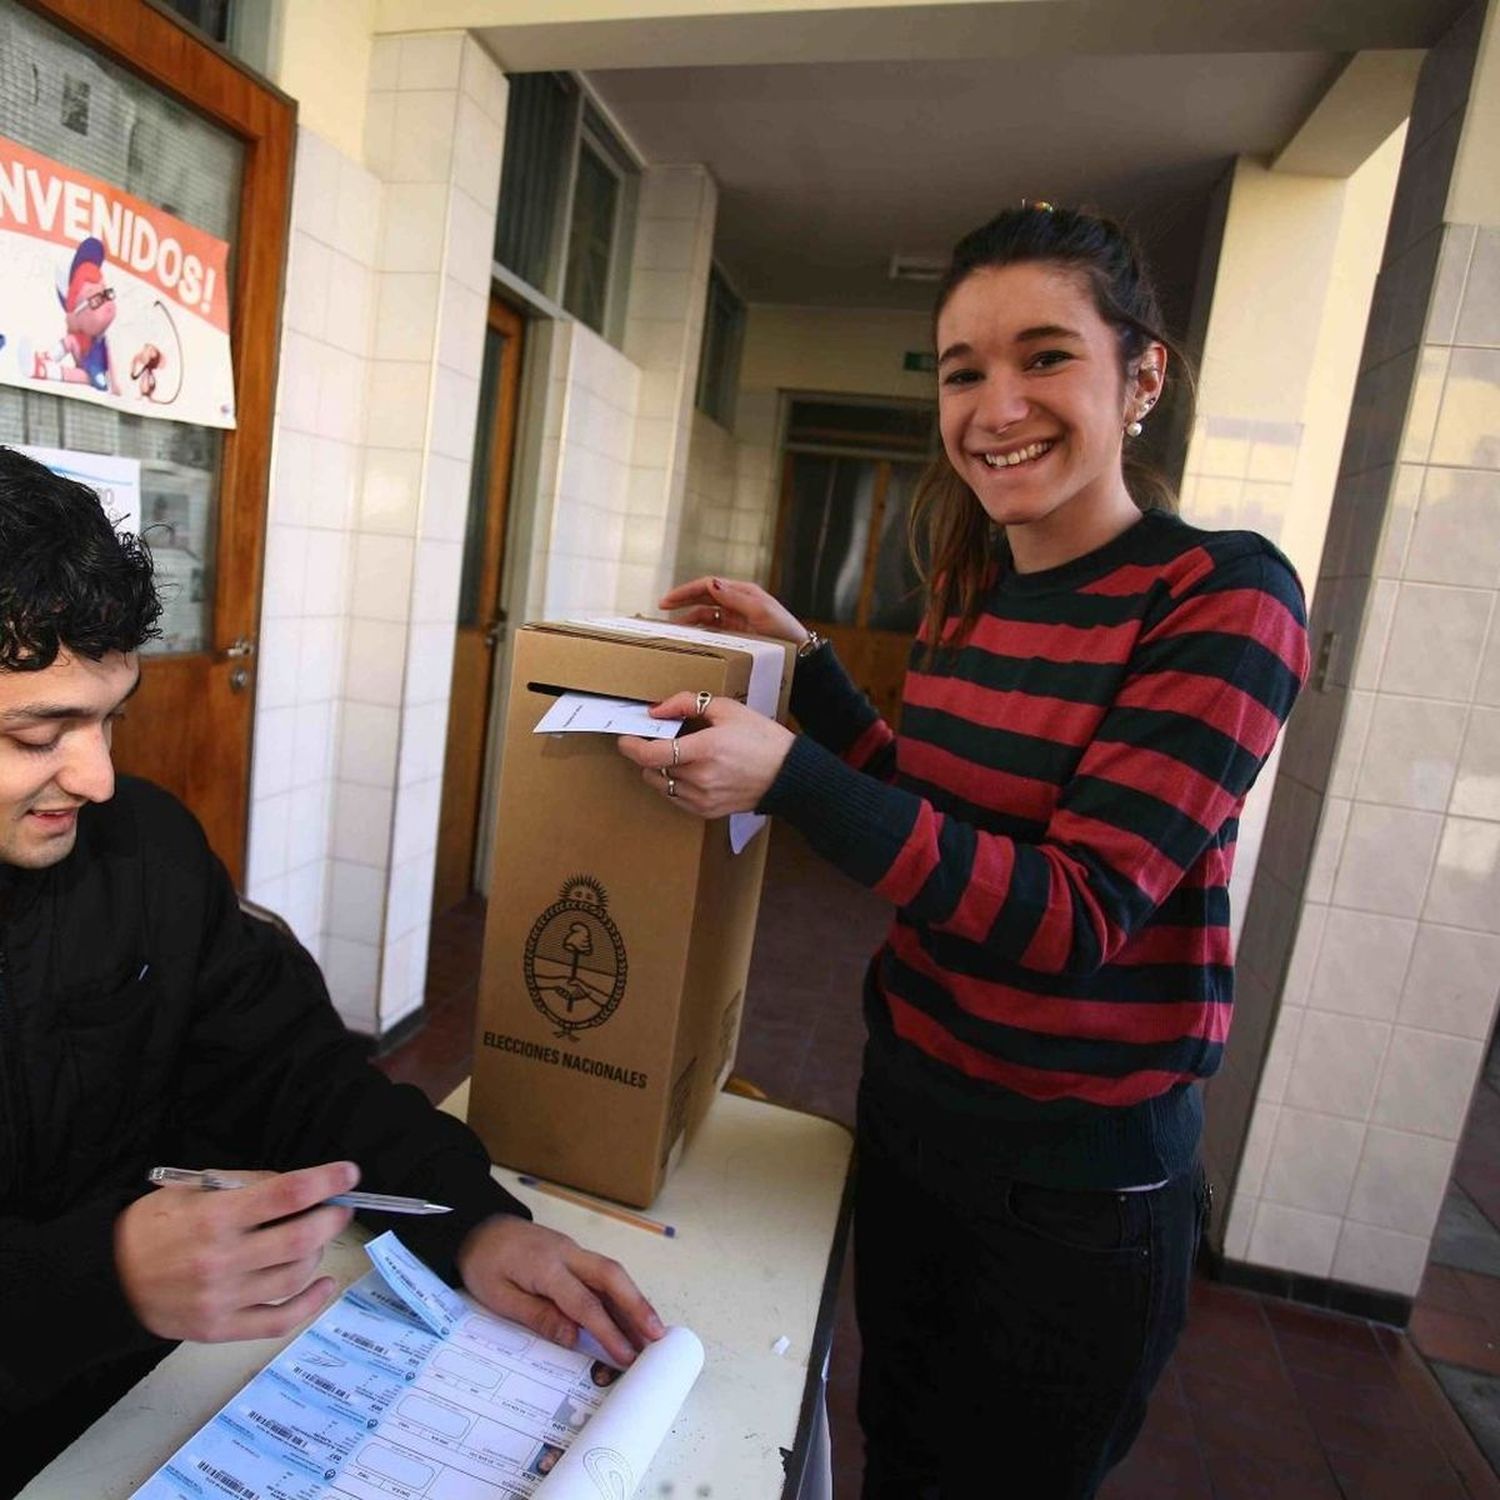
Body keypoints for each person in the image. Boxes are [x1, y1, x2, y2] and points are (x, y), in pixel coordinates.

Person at [619, 204, 1308, 1497]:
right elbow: (927, 809)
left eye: (1046, 356)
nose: (999, 406)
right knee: (897, 1451)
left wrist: (789, 775)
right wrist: (809, 670)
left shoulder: (1224, 597)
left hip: (1072, 1194)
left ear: (1141, 373)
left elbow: (1072, 914)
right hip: (916, 1117)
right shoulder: (975, 590)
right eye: (964, 370)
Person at [0, 445, 663, 1495]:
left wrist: (472, 1217)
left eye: (109, 716)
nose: (96, 775)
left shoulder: (144, 849)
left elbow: (289, 1072)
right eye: (40, 733)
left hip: (157, 1407)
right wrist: (101, 1276)